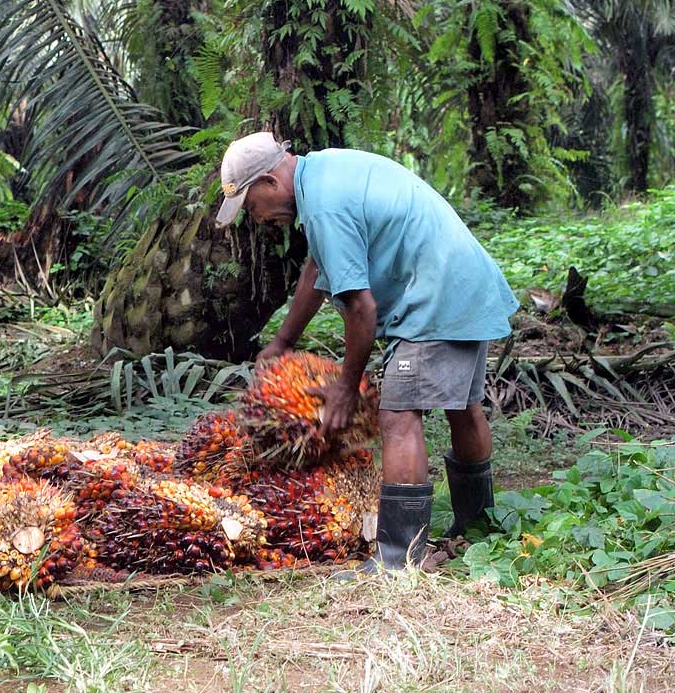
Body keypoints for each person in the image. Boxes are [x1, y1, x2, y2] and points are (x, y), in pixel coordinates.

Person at [215, 132, 518, 574]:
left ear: (267, 181)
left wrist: (344, 388)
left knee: (397, 416)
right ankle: (478, 526)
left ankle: (398, 558)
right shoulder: (323, 171)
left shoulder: (323, 205)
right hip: (463, 282)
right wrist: (282, 343)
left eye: (250, 206)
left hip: (433, 298)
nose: (256, 218)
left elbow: (361, 308)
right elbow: (317, 267)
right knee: (463, 407)